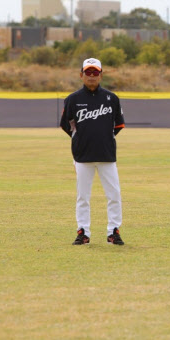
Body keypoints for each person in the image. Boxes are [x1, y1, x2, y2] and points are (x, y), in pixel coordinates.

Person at [60, 58, 126, 246]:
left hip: (106, 155)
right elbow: (67, 125)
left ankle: (113, 231)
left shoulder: (111, 98)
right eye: (87, 73)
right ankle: (83, 231)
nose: (91, 76)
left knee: (114, 195)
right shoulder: (73, 100)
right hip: (82, 156)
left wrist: (103, 137)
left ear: (101, 75)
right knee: (83, 196)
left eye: (95, 73)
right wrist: (81, 141)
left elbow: (118, 125)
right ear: (81, 75)